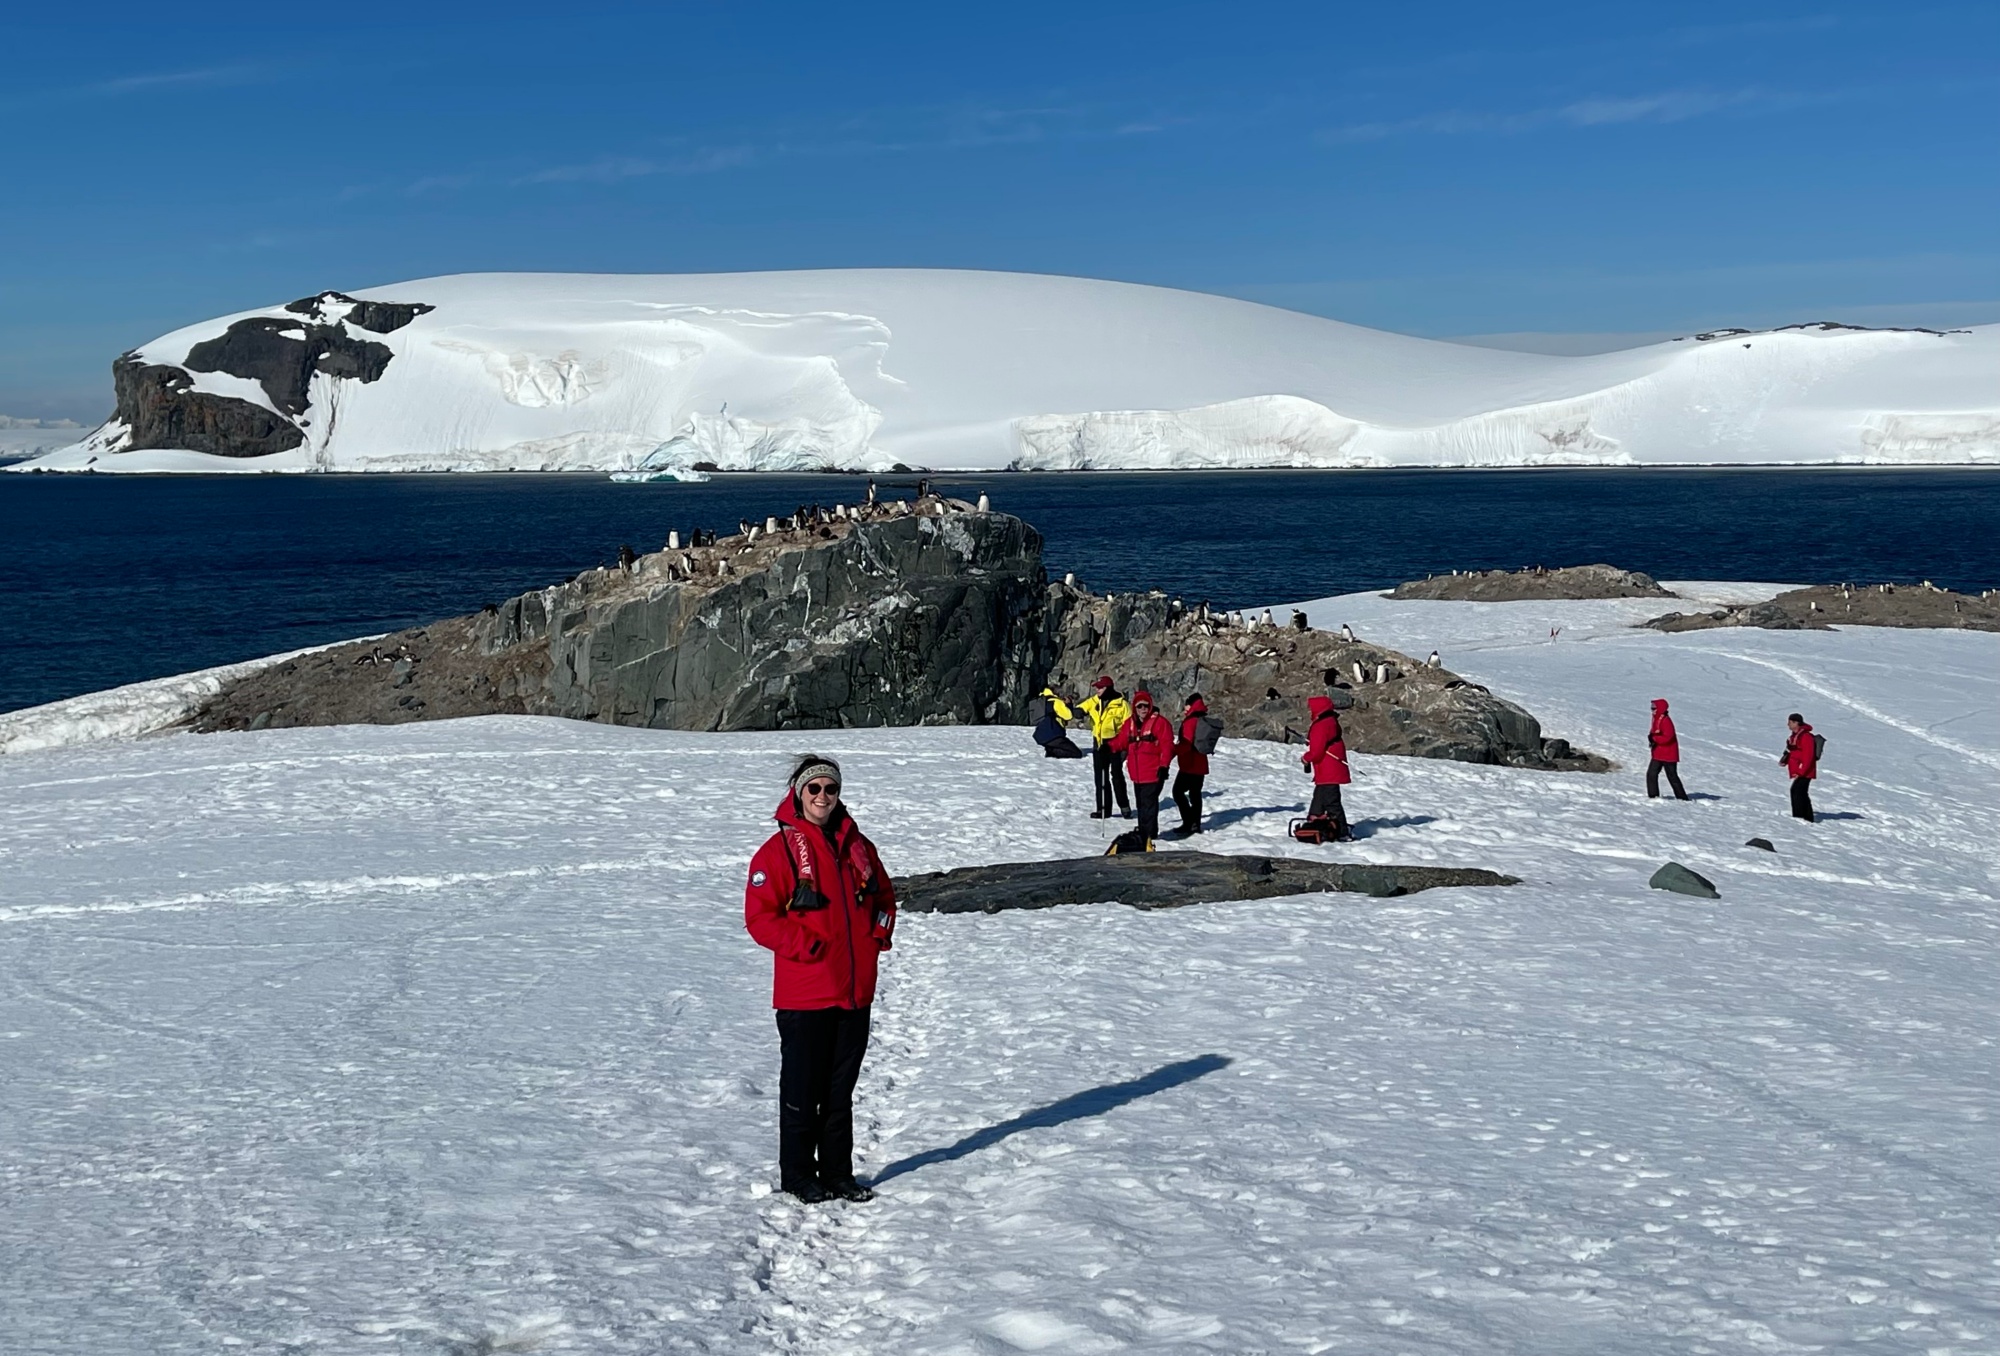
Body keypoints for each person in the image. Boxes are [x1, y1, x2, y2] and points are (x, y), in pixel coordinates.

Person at [744, 755, 896, 1203]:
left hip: (853, 992)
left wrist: (877, 934)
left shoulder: (859, 846)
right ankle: (797, 1175)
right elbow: (760, 918)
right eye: (815, 790)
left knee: (838, 1093)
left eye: (831, 789)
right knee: (801, 1090)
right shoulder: (779, 851)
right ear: (798, 793)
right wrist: (807, 946)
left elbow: (885, 897)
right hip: (805, 993)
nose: (823, 797)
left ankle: (836, 1173)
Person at [1110, 689, 1176, 842]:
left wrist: (1164, 766)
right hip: (1137, 774)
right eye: (1139, 706)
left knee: (1149, 804)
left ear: (1150, 706)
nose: (1143, 709)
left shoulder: (1161, 723)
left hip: (1154, 771)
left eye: (1146, 706)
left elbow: (1168, 746)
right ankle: (1144, 831)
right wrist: (1109, 747)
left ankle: (1149, 834)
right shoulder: (1130, 723)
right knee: (1141, 804)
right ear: (1135, 707)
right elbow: (1121, 741)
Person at [1078, 677, 1133, 819]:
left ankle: (1124, 807)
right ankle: (1103, 809)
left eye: (1100, 687)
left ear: (1108, 688)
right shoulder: (1094, 701)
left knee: (1117, 776)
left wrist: (1124, 747)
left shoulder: (1122, 705)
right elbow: (1082, 708)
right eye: (1097, 687)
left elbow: (1129, 727)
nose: (1097, 690)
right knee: (1100, 778)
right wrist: (1077, 711)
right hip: (1099, 743)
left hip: (1116, 744)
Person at [1300, 695, 1353, 841]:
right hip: (1331, 770)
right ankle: (1313, 822)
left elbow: (1316, 752)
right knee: (1320, 797)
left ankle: (1342, 832)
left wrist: (1306, 757)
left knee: (1332, 802)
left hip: (1328, 770)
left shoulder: (1320, 725)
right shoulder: (1330, 721)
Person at [1171, 693, 1213, 835]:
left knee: (1177, 792)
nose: (1184, 708)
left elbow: (1186, 744)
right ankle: (1195, 824)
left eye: (1186, 704)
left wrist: (1173, 750)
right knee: (1195, 795)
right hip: (1201, 764)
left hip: (1189, 764)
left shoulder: (1190, 721)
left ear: (1191, 705)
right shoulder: (1202, 718)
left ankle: (1188, 822)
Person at [1646, 698, 1689, 800]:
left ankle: (1682, 798)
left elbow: (1668, 737)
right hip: (1658, 753)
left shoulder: (1666, 721)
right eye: (1651, 707)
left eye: (1654, 707)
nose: (1652, 709)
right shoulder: (1656, 718)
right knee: (1651, 774)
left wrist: (1654, 738)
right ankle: (1653, 797)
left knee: (1672, 776)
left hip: (1669, 754)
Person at [1781, 713, 1818, 821]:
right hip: (1801, 770)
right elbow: (1794, 752)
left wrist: (1801, 771)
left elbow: (1808, 756)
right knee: (1799, 792)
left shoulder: (1805, 736)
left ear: (1796, 723)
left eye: (1790, 722)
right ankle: (1806, 817)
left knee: (1797, 792)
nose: (1788, 724)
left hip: (1805, 771)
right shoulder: (1794, 736)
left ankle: (1800, 817)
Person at [1029, 686, 1082, 759]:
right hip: (1053, 735)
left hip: (1041, 735)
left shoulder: (1042, 701)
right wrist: (1069, 704)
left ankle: (1050, 751)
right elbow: (1068, 716)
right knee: (1076, 753)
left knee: (1055, 747)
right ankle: (1053, 752)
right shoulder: (1056, 702)